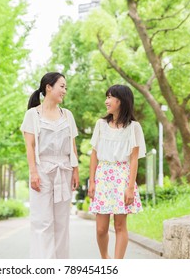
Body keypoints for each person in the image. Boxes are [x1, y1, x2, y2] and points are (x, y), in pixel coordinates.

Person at [20, 72, 79, 259]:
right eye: (62, 86)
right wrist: (33, 173)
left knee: (62, 222)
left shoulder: (67, 115)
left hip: (65, 170)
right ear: (48, 87)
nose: (65, 91)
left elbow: (72, 145)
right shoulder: (32, 114)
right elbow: (29, 146)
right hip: (42, 170)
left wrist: (75, 170)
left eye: (65, 87)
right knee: (42, 222)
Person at [88, 84, 146, 259]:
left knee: (120, 226)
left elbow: (134, 159)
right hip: (103, 175)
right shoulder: (101, 124)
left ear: (121, 101)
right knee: (100, 229)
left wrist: (130, 187)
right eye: (106, 97)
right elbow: (94, 154)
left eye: (110, 97)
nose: (106, 101)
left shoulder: (133, 127)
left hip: (122, 176)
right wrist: (92, 181)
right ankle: (105, 258)